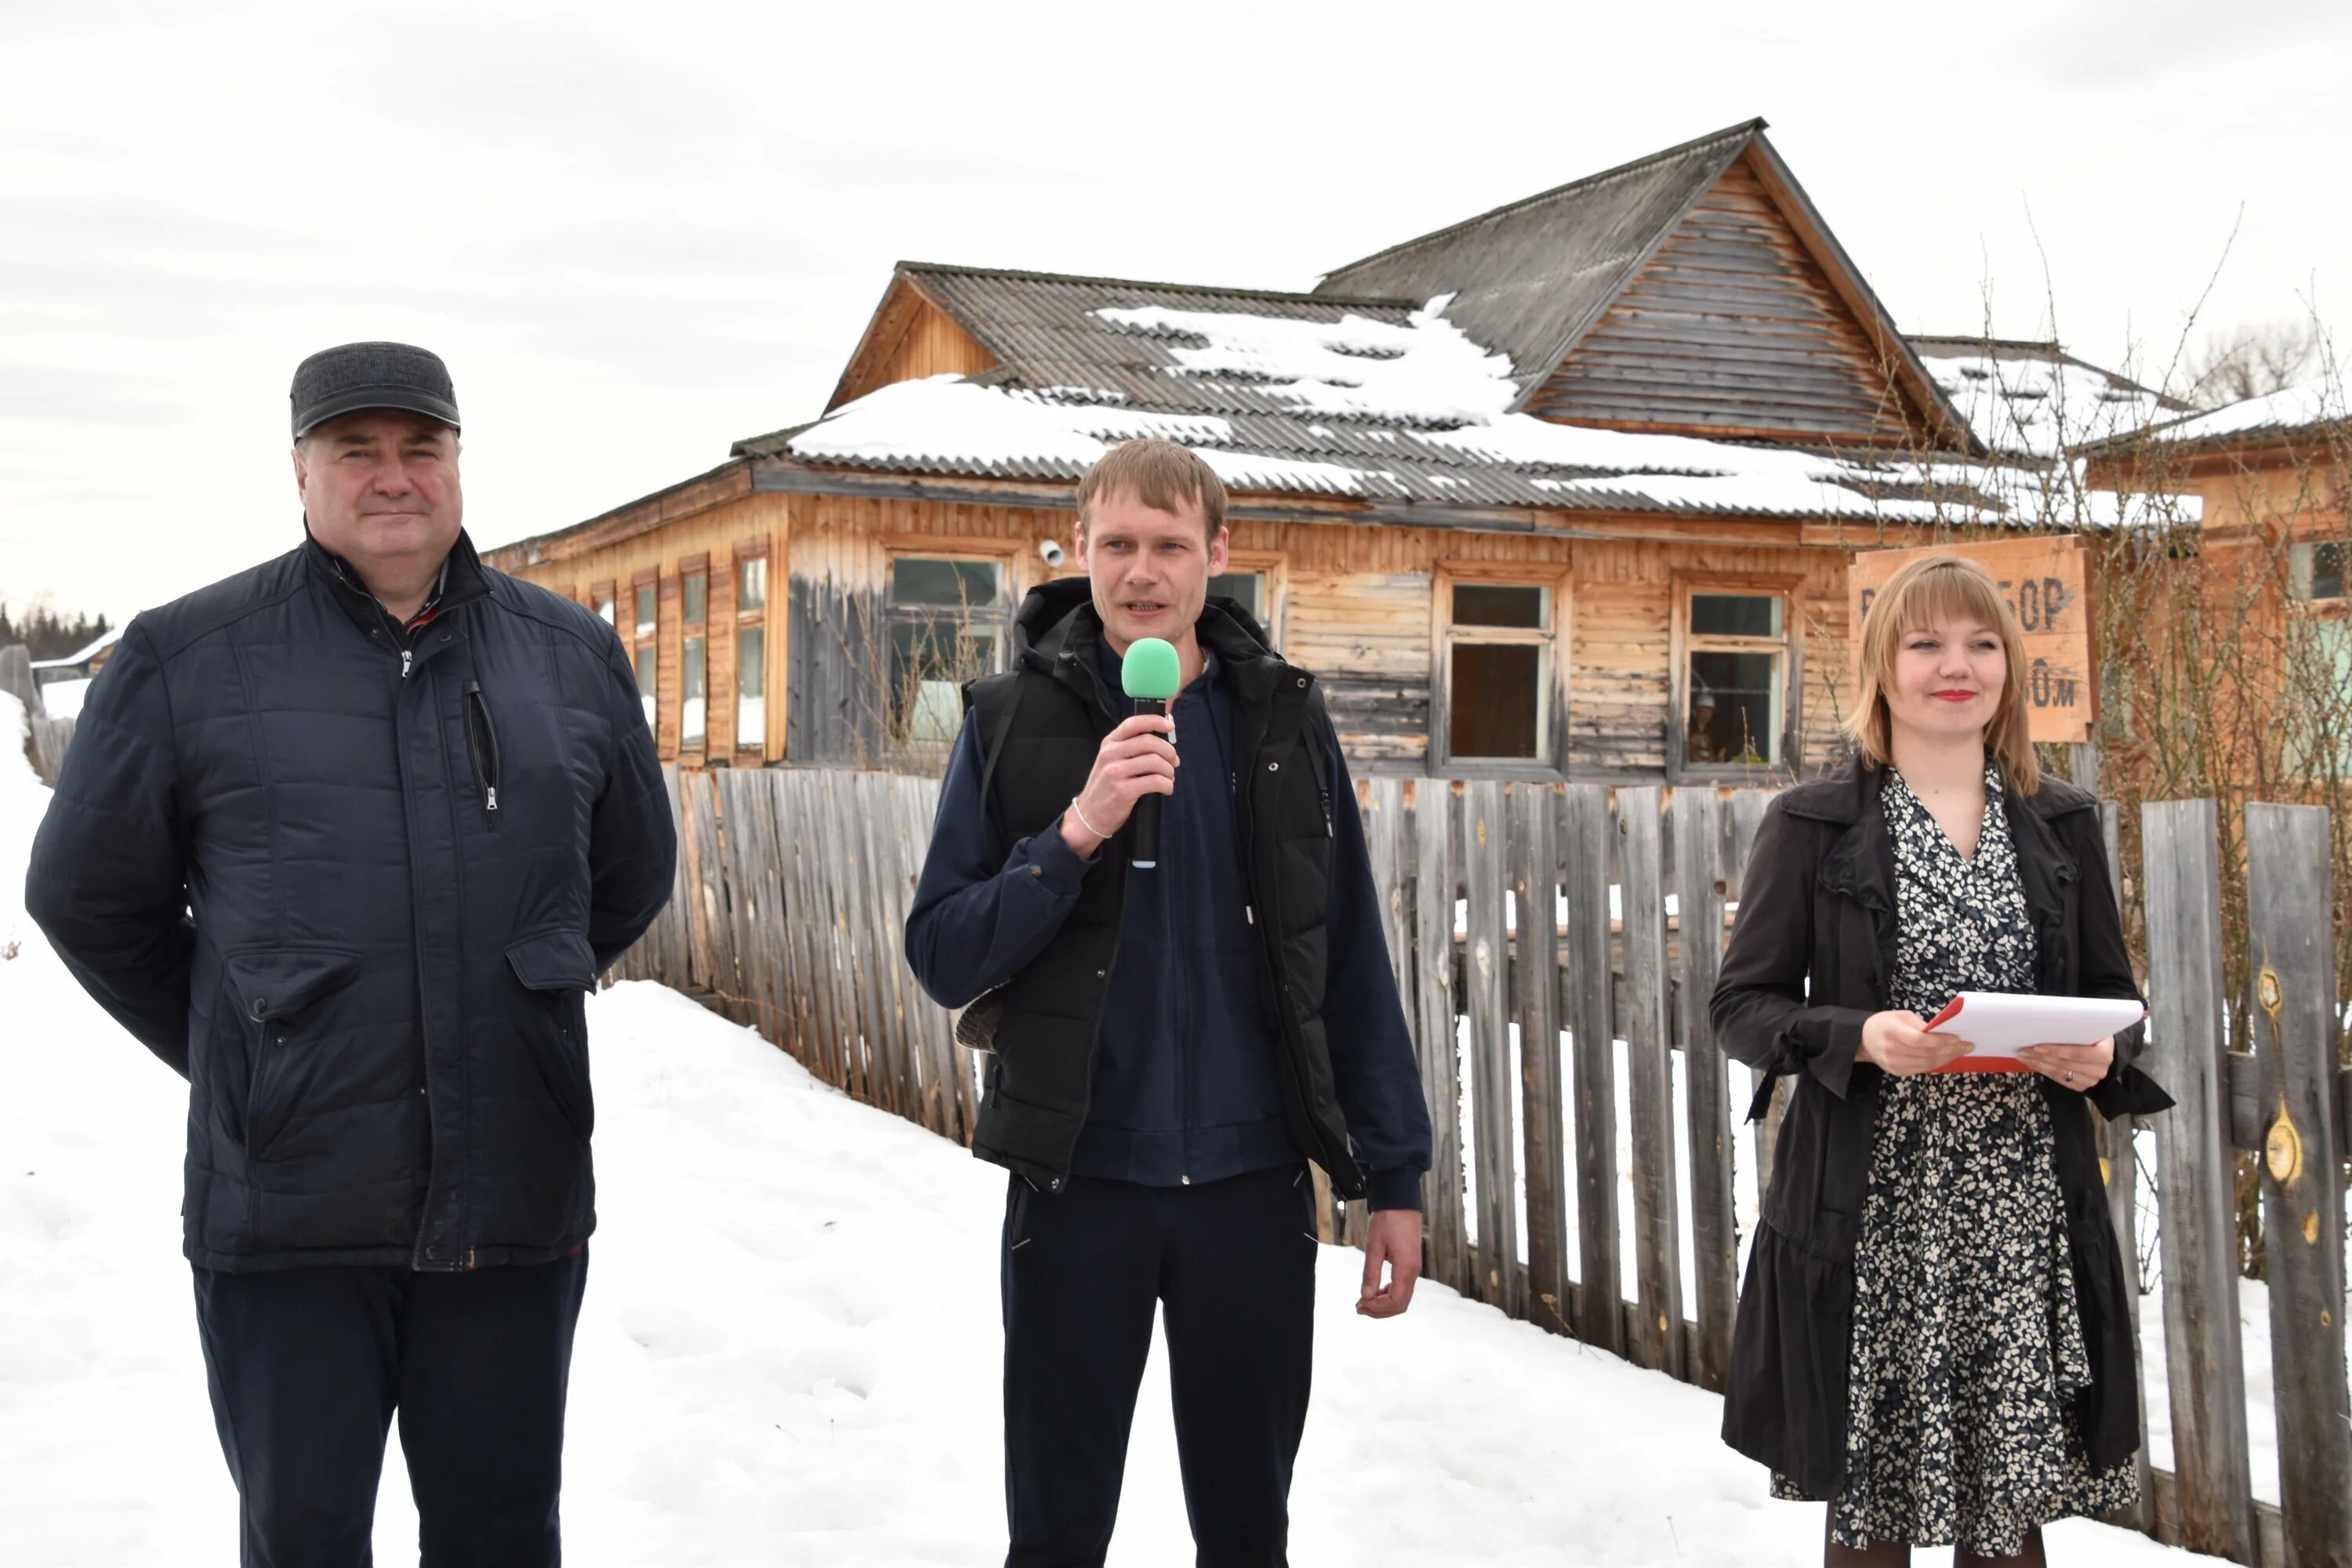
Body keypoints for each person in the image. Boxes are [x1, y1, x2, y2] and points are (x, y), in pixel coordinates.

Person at [25, 342, 676, 1566]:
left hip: (510, 1203)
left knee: (499, 1534)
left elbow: (629, 874)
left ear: (458, 466)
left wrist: (517, 1003)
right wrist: (256, 1042)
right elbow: (83, 895)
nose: (393, 477)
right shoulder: (189, 658)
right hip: (289, 1217)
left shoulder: (569, 658)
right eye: (355, 451)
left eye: (419, 448)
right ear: (301, 472)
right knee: (305, 1535)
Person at [905, 437, 1432, 1566]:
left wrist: (1394, 1172)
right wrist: (1078, 830)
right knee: (1056, 1530)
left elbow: (1344, 952)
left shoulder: (1282, 718)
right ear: (1078, 551)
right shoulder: (1006, 720)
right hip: (1080, 1185)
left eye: (1170, 546)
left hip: (1249, 1193)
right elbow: (944, 952)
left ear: (1217, 556)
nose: (1142, 573)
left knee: (1248, 1531)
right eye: (1117, 545)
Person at [1711, 554, 2172, 1568]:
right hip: (1874, 1213)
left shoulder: (2061, 822)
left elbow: (2117, 1001)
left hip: (2020, 1212)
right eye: (1926, 644)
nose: (1955, 666)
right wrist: (1859, 1036)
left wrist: (2101, 1052)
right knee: (1872, 1519)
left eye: (1981, 642)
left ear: (2010, 664)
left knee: (2006, 1525)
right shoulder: (1812, 823)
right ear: (1884, 666)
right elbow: (1740, 1007)